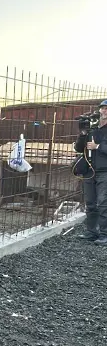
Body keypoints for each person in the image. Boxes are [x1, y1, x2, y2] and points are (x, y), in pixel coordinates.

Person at [75, 100, 107, 245]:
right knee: (90, 203)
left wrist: (98, 146)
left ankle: (105, 234)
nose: (105, 111)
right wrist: (82, 133)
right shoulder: (92, 128)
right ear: (100, 110)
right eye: (103, 108)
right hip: (89, 170)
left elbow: (98, 147)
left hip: (104, 171)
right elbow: (78, 148)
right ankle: (91, 232)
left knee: (103, 203)